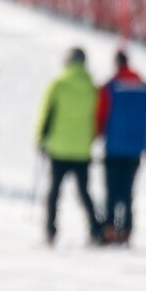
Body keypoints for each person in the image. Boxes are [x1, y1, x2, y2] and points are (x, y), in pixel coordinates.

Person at [36, 46, 103, 247]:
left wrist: (40, 138)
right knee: (84, 192)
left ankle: (50, 231)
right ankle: (95, 230)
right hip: (82, 149)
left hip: (59, 148)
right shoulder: (92, 88)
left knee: (54, 191)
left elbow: (46, 113)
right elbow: (98, 117)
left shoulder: (58, 84)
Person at [94, 48, 146, 245]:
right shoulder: (144, 87)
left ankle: (109, 230)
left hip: (114, 147)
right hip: (135, 149)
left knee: (111, 191)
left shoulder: (110, 86)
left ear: (116, 63)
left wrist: (96, 135)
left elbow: (101, 114)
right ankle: (127, 230)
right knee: (128, 191)